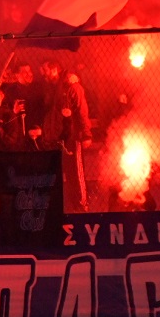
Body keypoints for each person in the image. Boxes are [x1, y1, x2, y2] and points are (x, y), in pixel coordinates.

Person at [40, 61, 92, 213]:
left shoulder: (72, 86)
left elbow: (82, 110)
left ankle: (82, 204)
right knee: (63, 174)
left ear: (54, 69)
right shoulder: (51, 87)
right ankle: (68, 205)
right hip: (55, 137)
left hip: (71, 136)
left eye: (45, 70)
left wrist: (86, 134)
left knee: (75, 172)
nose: (43, 74)